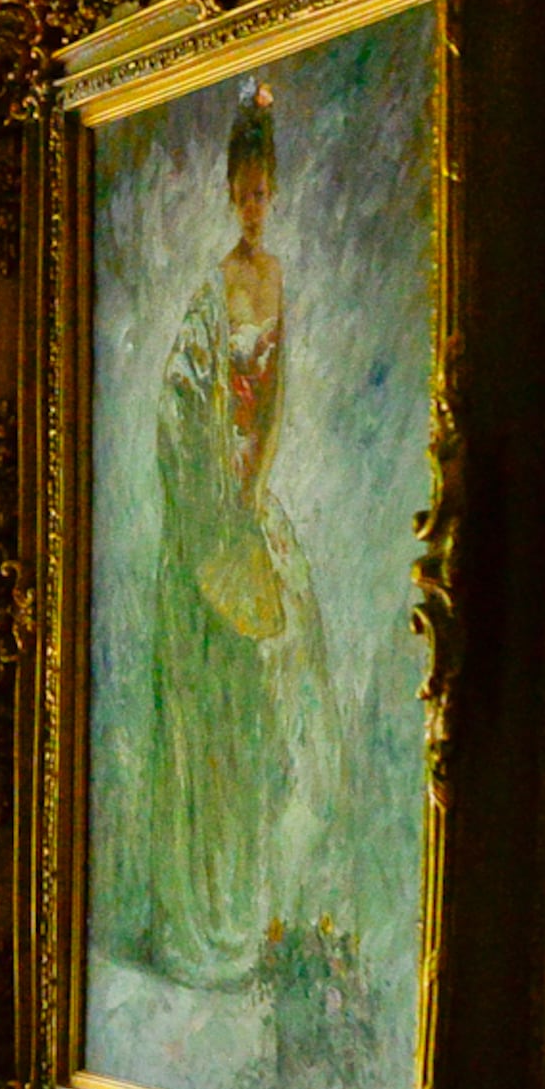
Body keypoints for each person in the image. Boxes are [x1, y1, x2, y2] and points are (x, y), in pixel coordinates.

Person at [128, 75, 324, 991]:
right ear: (226, 195)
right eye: (239, 194)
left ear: (272, 193)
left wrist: (257, 478)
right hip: (208, 501)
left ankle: (244, 908)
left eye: (261, 194)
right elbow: (185, 397)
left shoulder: (276, 277)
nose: (250, 210)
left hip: (251, 496)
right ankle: (195, 915)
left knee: (273, 676)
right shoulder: (213, 289)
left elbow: (276, 394)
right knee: (204, 696)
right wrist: (213, 480)